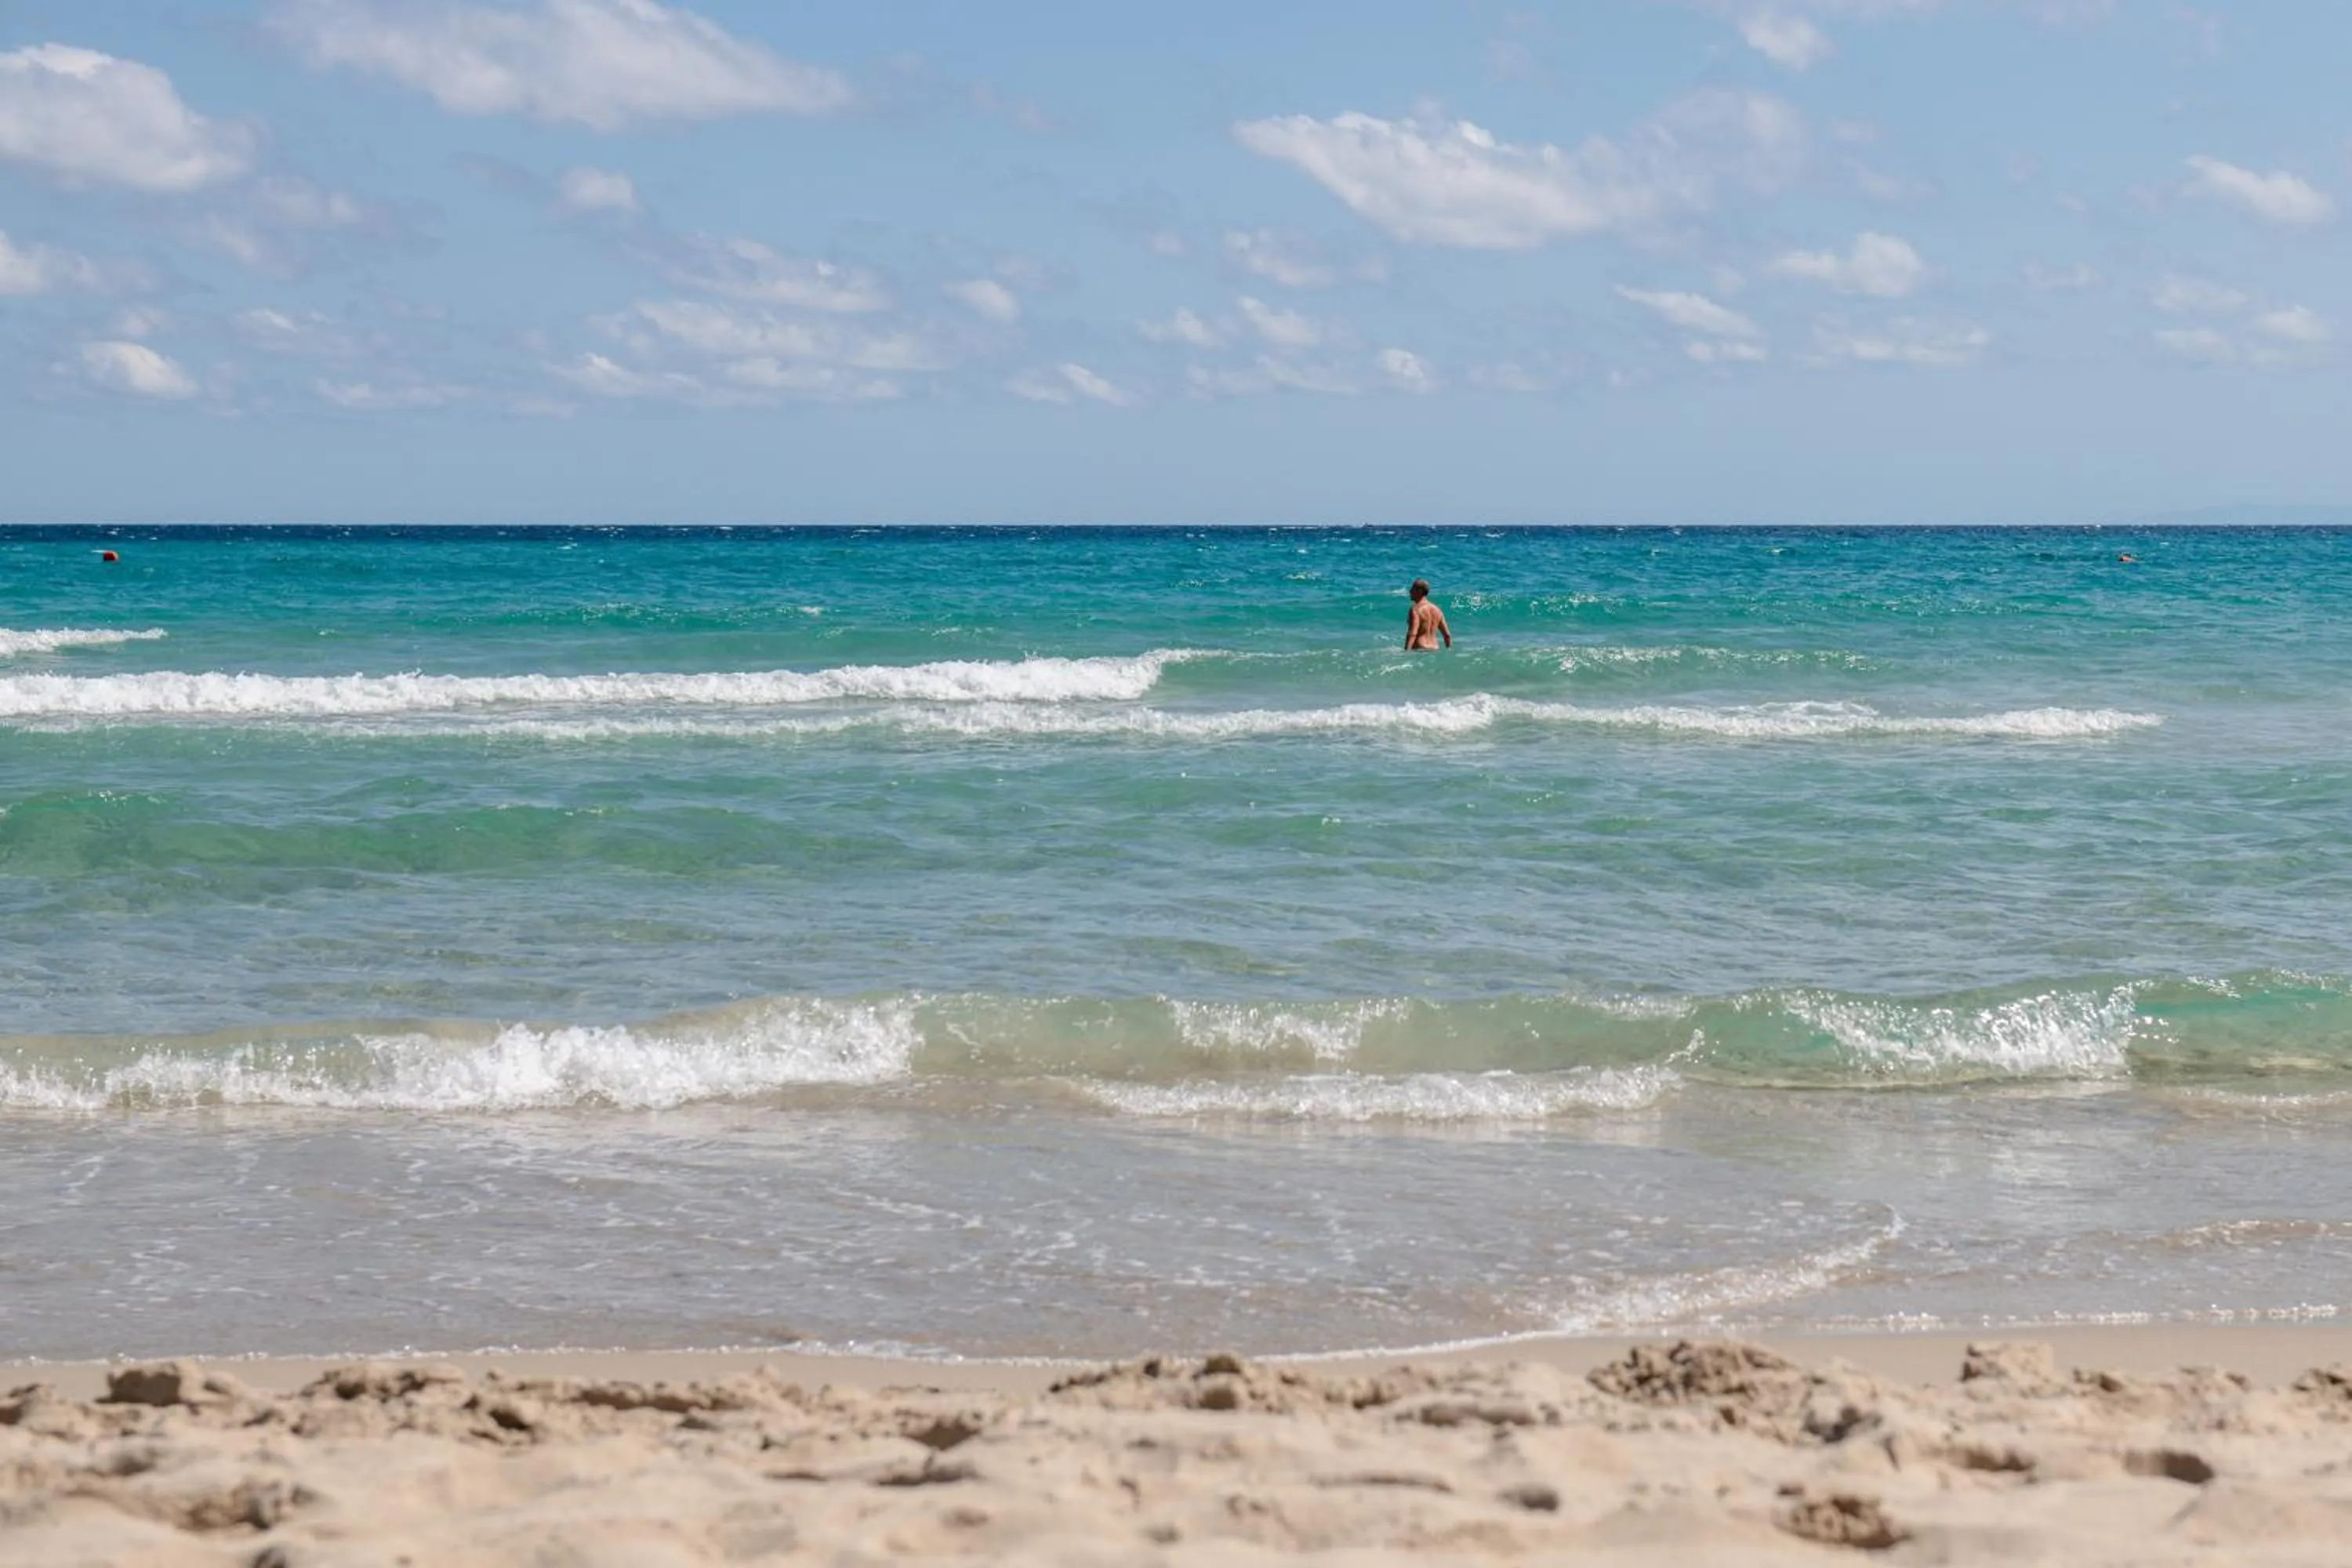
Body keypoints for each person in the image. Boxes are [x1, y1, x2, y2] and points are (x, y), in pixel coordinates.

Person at [1405, 579, 1451, 650]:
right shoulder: (1437, 610)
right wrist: (1449, 651)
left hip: (1420, 649)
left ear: (1420, 591)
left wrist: (1406, 652)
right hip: (1435, 649)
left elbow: (1413, 633)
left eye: (1412, 589)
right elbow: (1447, 635)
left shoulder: (1415, 609)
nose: (1410, 591)